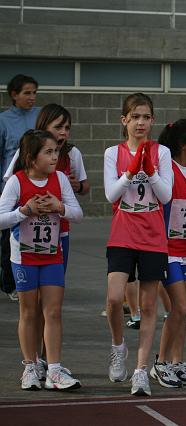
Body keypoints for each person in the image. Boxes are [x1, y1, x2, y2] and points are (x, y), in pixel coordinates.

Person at [4, 103, 90, 378]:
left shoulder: (65, 169)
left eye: (67, 128)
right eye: (58, 128)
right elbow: (5, 205)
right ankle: (31, 363)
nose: (63, 134)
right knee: (30, 309)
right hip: (24, 250)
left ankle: (50, 364)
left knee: (51, 308)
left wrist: (60, 205)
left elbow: (78, 207)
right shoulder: (19, 175)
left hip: (56, 242)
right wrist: (24, 210)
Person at [103, 93, 173, 396]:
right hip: (123, 231)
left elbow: (166, 195)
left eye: (146, 117)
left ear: (152, 120)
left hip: (153, 233)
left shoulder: (162, 152)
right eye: (135, 117)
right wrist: (131, 170)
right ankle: (119, 347)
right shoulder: (112, 153)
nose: (140, 123)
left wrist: (151, 170)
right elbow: (111, 195)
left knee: (147, 304)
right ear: (124, 121)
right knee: (115, 298)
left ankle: (142, 370)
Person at [149, 119, 186, 389]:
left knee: (182, 312)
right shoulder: (168, 169)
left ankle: (176, 361)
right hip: (167, 249)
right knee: (179, 308)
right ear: (184, 144)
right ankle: (160, 363)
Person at [0, 74, 40, 301]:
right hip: (11, 187)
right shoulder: (4, 121)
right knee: (9, 237)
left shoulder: (39, 117)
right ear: (14, 95)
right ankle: (10, 283)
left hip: (37, 186)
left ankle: (35, 279)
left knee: (34, 234)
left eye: (34, 93)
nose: (32, 97)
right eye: (27, 93)